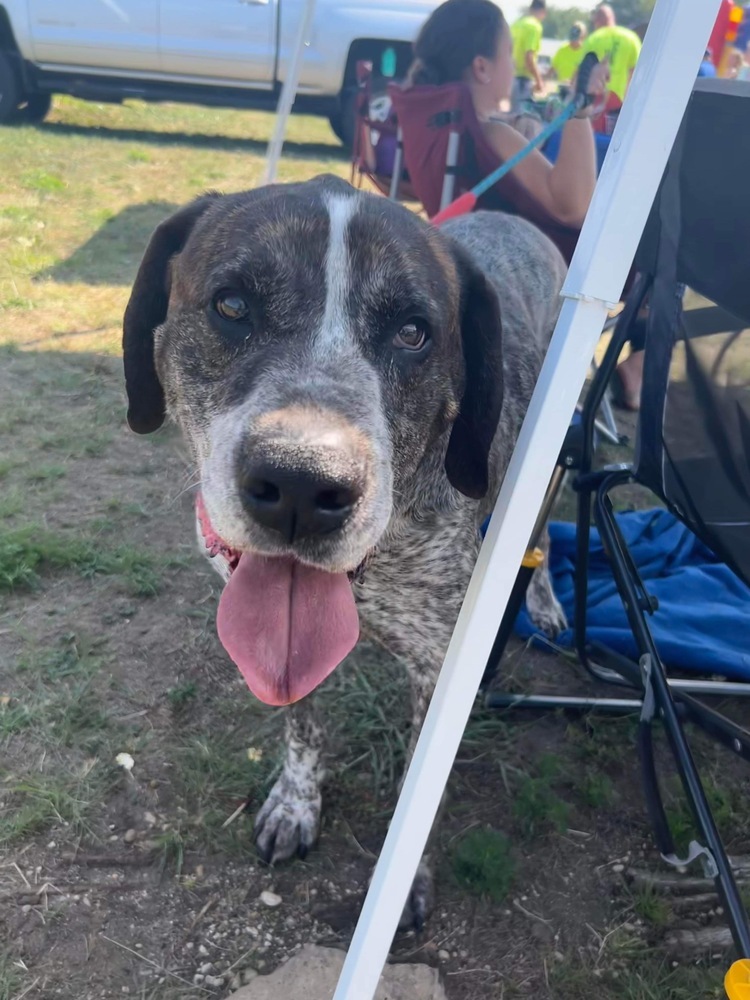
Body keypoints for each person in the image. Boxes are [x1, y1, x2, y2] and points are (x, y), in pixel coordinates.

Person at [406, 0, 609, 235]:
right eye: (509, 53)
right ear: (482, 68)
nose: (514, 66)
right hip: (540, 261)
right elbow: (574, 209)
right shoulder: (491, 134)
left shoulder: (442, 123)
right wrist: (580, 107)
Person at [579, 3, 641, 132]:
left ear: (598, 21)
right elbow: (635, 72)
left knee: (594, 140)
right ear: (612, 18)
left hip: (595, 101)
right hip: (619, 102)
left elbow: (582, 74)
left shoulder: (593, 39)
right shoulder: (631, 38)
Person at [510, 0, 547, 111]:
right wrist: (539, 80)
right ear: (543, 12)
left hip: (511, 76)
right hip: (523, 80)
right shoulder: (535, 26)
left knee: (513, 116)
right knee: (523, 118)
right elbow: (529, 57)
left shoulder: (517, 24)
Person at [552, 22, 588, 94]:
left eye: (576, 39)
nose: (573, 41)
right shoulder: (562, 50)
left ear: (583, 37)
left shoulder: (586, 53)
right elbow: (552, 69)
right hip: (562, 91)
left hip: (579, 93)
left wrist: (572, 82)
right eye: (572, 38)